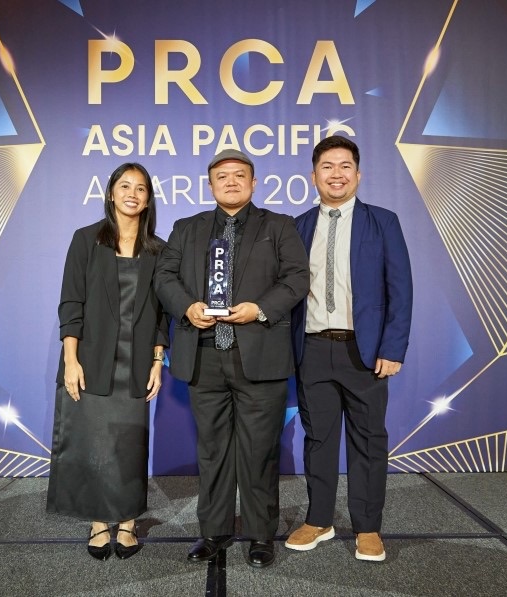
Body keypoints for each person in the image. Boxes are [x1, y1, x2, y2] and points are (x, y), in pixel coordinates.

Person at [155, 149, 309, 568]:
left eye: (240, 175)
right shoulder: (187, 228)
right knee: (213, 451)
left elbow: (297, 278)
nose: (231, 181)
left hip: (259, 354)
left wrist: (259, 308)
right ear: (210, 185)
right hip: (204, 357)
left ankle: (261, 535)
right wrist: (187, 306)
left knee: (259, 451)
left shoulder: (278, 226)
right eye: (222, 176)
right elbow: (164, 277)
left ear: (254, 183)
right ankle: (214, 531)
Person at [286, 135, 413, 562]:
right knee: (318, 439)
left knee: (368, 440)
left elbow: (401, 290)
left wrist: (393, 347)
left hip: (366, 351)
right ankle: (319, 519)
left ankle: (368, 527)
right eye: (327, 166)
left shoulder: (384, 222)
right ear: (313, 175)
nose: (335, 174)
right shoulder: (297, 226)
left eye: (344, 166)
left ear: (358, 174)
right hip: (313, 350)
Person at [46, 162, 168, 561]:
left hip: (135, 363)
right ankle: (100, 522)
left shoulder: (159, 250)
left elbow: (163, 312)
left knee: (129, 446)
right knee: (92, 442)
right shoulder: (86, 240)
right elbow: (71, 301)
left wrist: (156, 360)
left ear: (148, 198)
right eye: (125, 185)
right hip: (92, 359)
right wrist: (71, 360)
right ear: (111, 193)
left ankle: (128, 522)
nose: (133, 193)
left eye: (141, 188)